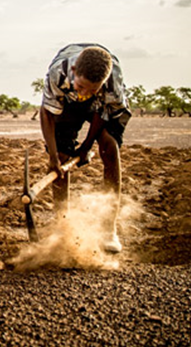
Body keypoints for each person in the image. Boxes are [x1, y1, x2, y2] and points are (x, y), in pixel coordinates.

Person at [39, 43, 131, 253]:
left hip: (104, 108)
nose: (85, 95)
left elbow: (104, 113)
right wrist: (53, 157)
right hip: (67, 103)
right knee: (62, 156)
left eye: (92, 90)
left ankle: (109, 229)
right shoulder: (58, 73)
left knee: (109, 146)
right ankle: (62, 225)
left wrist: (87, 146)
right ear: (73, 72)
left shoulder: (112, 82)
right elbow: (47, 114)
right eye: (81, 87)